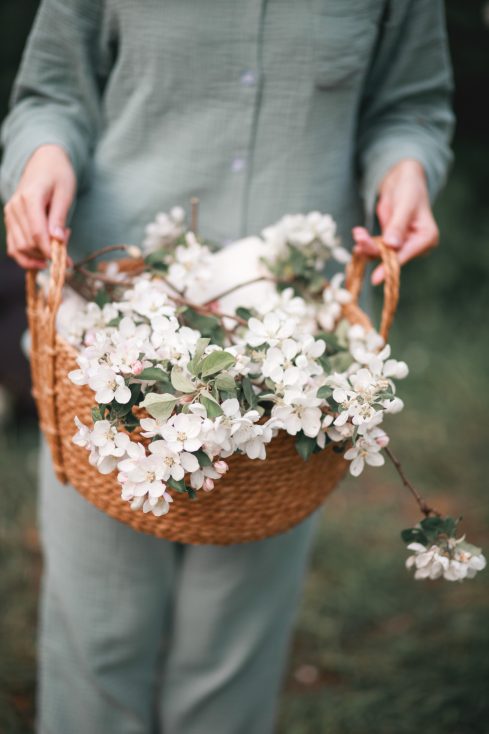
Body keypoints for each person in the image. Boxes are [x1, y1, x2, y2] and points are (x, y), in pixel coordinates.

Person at [1, 2, 454, 732]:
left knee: (232, 643)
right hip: (112, 325)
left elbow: (409, 105)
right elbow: (52, 93)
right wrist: (41, 158)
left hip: (293, 357)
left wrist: (406, 170)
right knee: (100, 628)